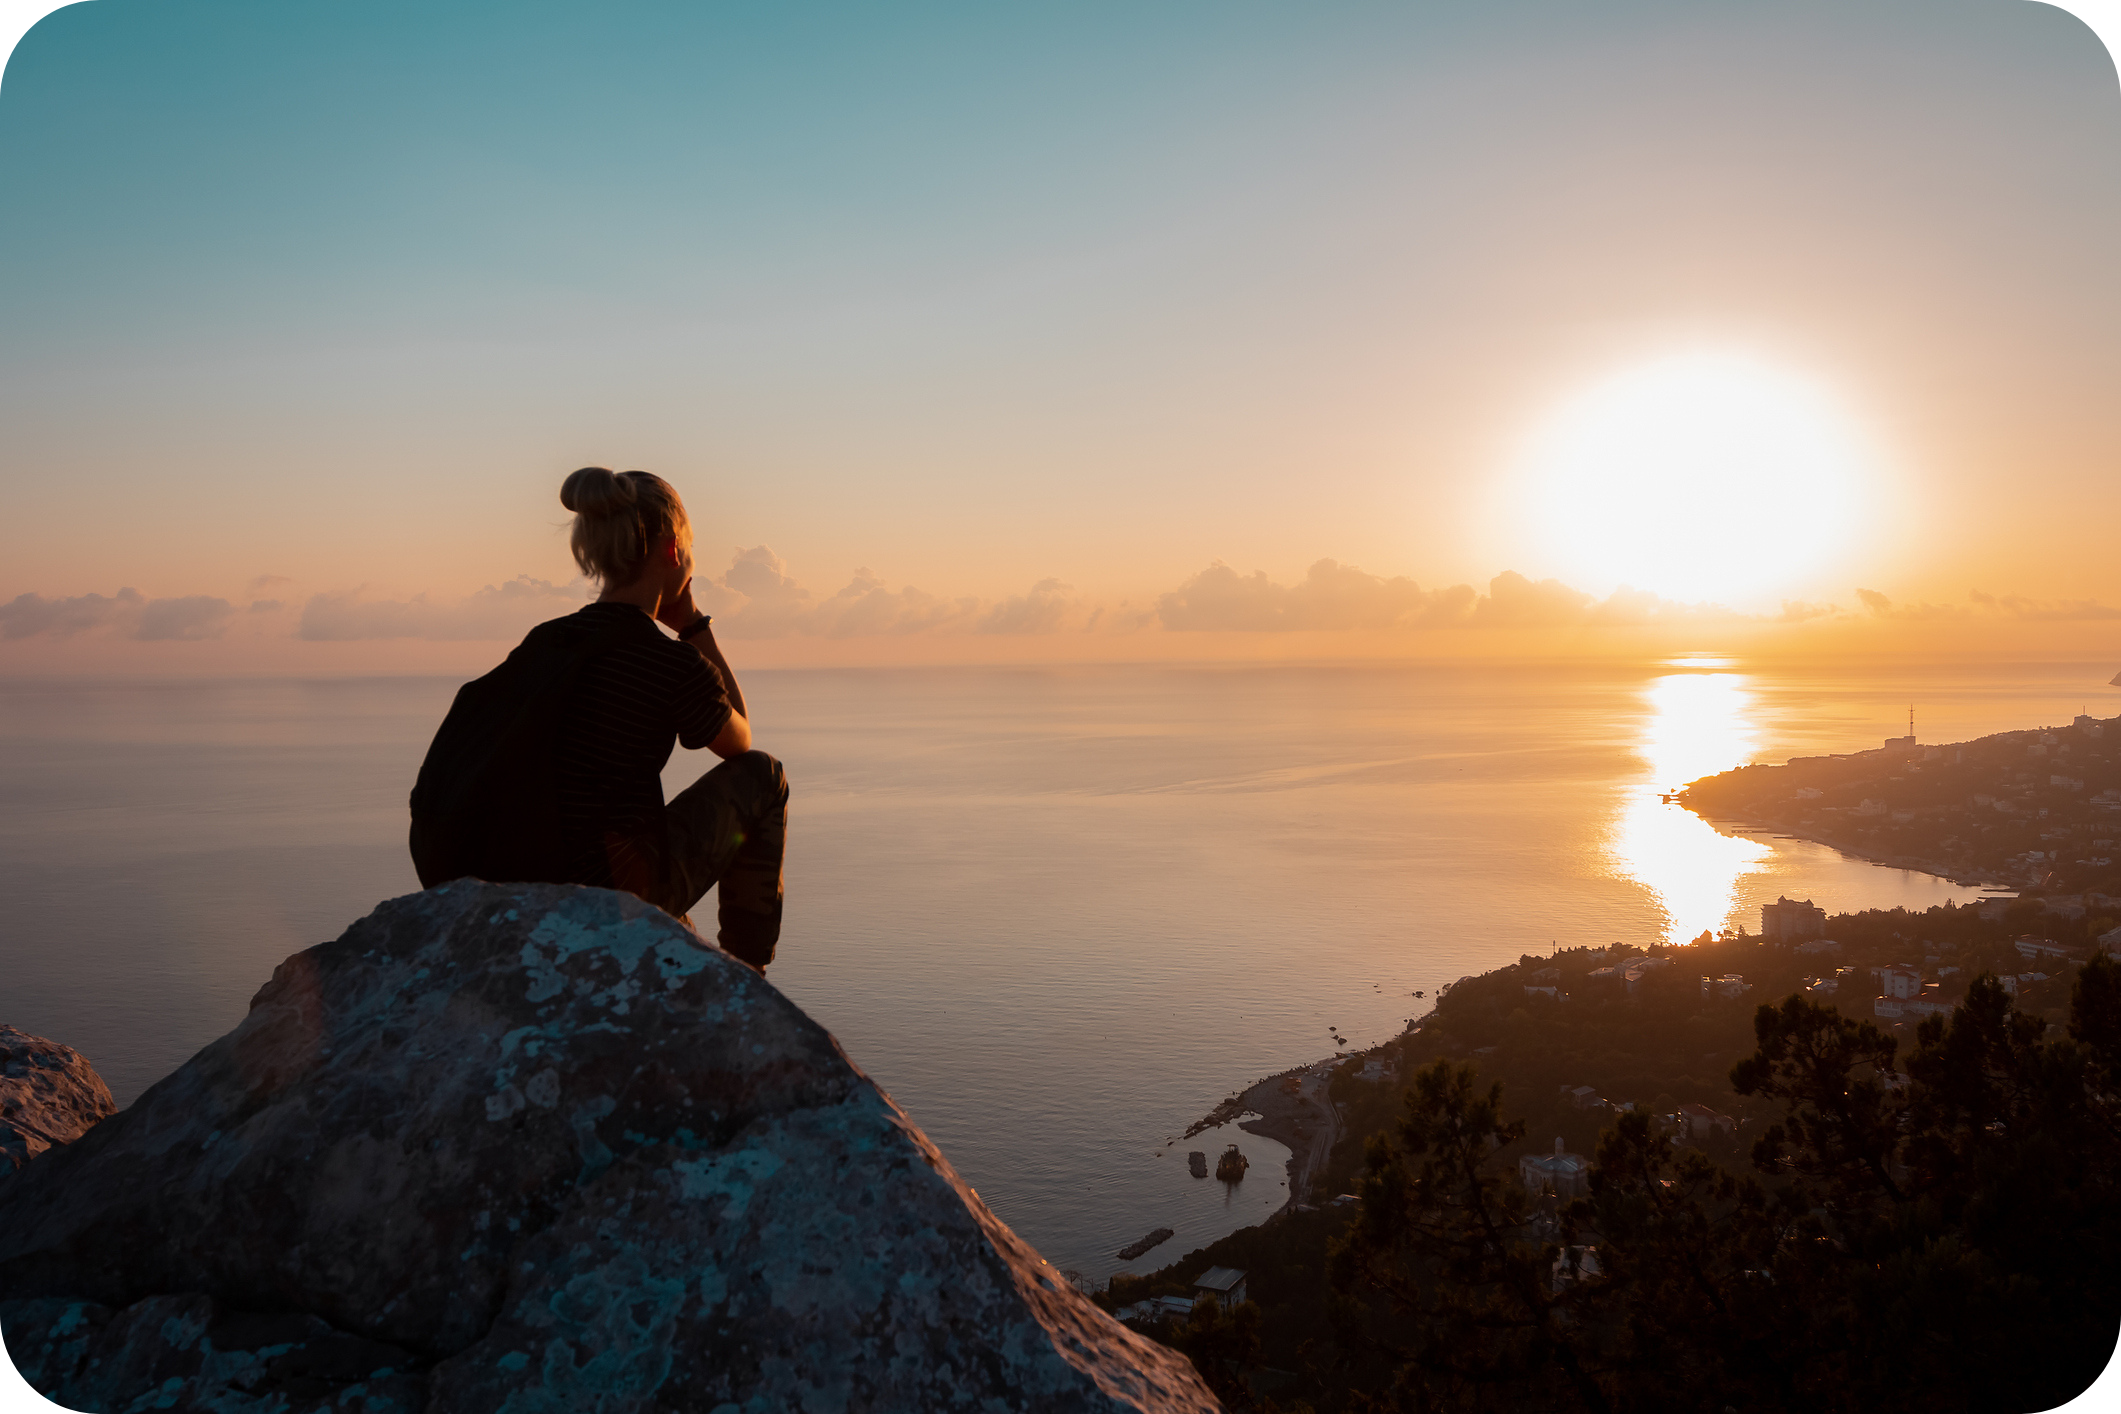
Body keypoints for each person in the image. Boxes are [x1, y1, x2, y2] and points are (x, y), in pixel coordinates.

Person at [409, 467, 788, 969]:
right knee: (766, 775)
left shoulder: (547, 641)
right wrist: (693, 627)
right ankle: (748, 976)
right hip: (607, 900)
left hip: (516, 882)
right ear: (672, 550)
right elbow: (739, 740)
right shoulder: (667, 662)